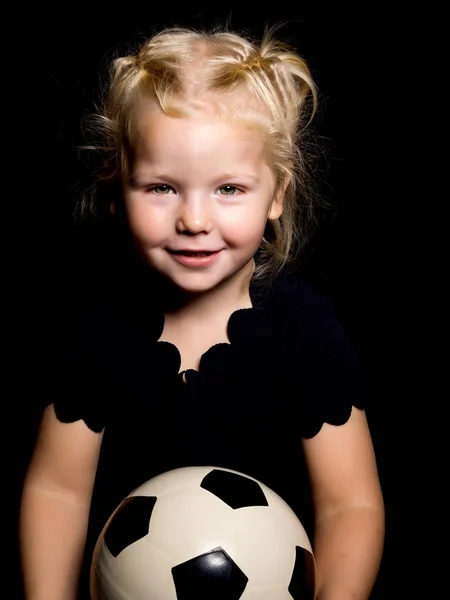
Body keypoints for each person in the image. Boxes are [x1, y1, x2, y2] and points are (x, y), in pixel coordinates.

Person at [19, 25, 385, 600]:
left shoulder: (305, 328)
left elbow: (351, 504)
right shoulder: (99, 328)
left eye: (229, 189)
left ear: (277, 195)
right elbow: (57, 490)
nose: (193, 219)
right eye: (162, 188)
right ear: (119, 190)